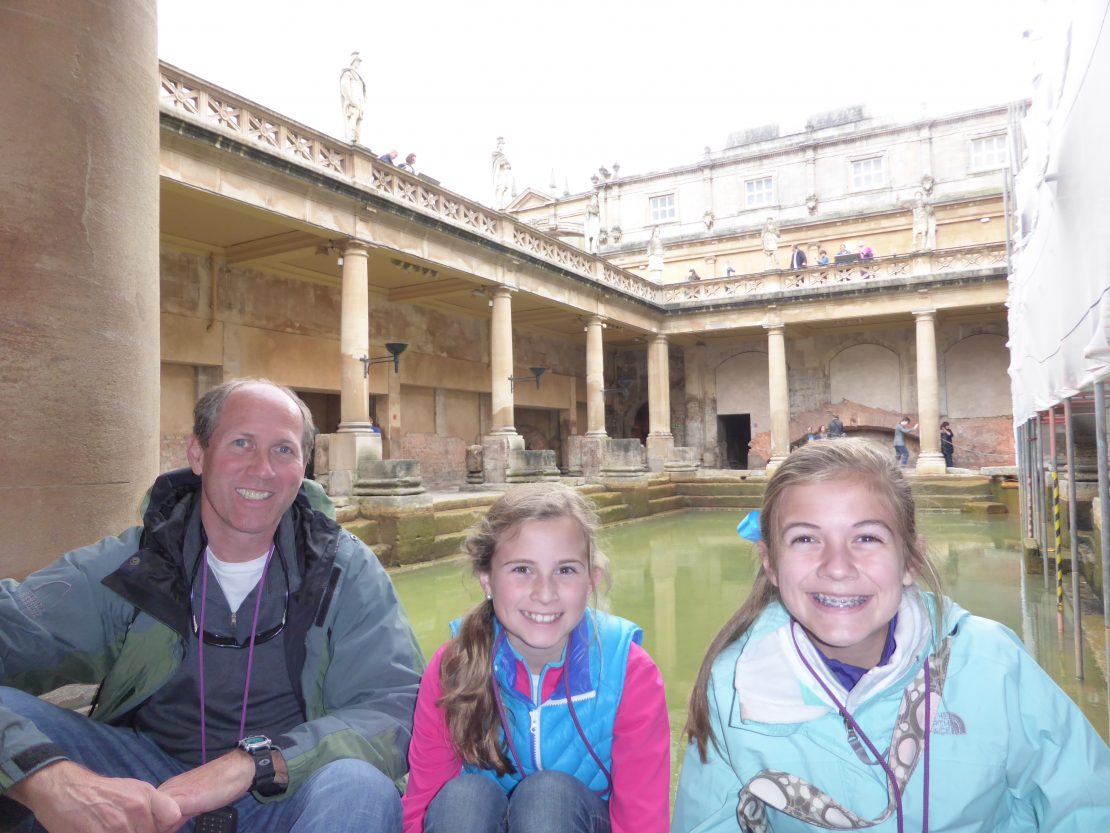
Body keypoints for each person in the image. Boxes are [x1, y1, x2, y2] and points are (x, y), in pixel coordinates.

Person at [0, 379, 424, 833]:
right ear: (198, 454)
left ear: (303, 468)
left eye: (283, 450)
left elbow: (396, 704)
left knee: (360, 786)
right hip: (146, 789)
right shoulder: (133, 564)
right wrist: (48, 778)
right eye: (241, 443)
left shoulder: (344, 570)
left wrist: (259, 762)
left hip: (287, 796)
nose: (261, 469)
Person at [673, 439, 1110, 833]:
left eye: (866, 537)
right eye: (806, 538)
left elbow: (1086, 804)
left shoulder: (993, 663)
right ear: (769, 563)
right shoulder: (733, 683)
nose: (837, 566)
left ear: (910, 560)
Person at [402, 483, 670, 833]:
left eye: (566, 570)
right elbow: (422, 807)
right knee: (463, 798)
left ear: (592, 580)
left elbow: (642, 822)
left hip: (573, 821)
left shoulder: (629, 672)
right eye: (522, 570)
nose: (545, 593)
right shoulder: (453, 668)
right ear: (487, 579)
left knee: (547, 798)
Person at [339, 52, 366, 144]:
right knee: (353, 116)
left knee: (358, 118)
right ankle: (350, 137)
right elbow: (344, 86)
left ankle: (357, 140)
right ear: (353, 61)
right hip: (352, 100)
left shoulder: (358, 76)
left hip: (359, 101)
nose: (358, 63)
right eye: (357, 61)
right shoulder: (348, 72)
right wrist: (350, 99)